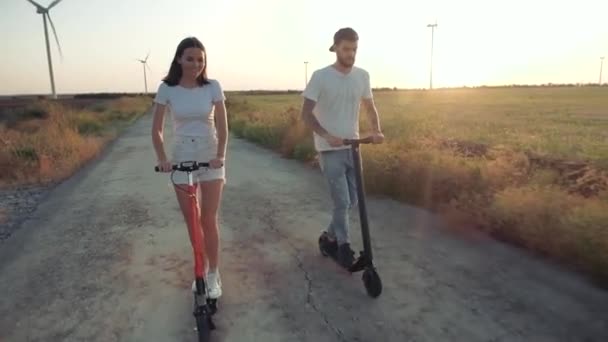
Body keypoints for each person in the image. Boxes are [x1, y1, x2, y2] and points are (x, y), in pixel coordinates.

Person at [301, 27, 385, 269]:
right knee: (341, 201)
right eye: (346, 49)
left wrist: (376, 130)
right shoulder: (320, 76)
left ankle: (328, 237)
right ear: (335, 48)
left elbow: (370, 107)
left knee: (351, 202)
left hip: (353, 146)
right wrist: (327, 136)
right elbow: (305, 114)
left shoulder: (362, 76)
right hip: (330, 150)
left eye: (354, 49)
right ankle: (344, 246)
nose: (351, 54)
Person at [151, 37, 228, 299]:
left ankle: (214, 274)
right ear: (179, 59)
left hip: (210, 153)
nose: (196, 64)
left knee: (208, 219)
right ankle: (201, 269)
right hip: (182, 153)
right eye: (190, 58)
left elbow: (222, 125)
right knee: (192, 221)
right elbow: (157, 129)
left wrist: (220, 155)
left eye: (200, 59)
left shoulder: (213, 87)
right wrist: (163, 158)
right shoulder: (167, 88)